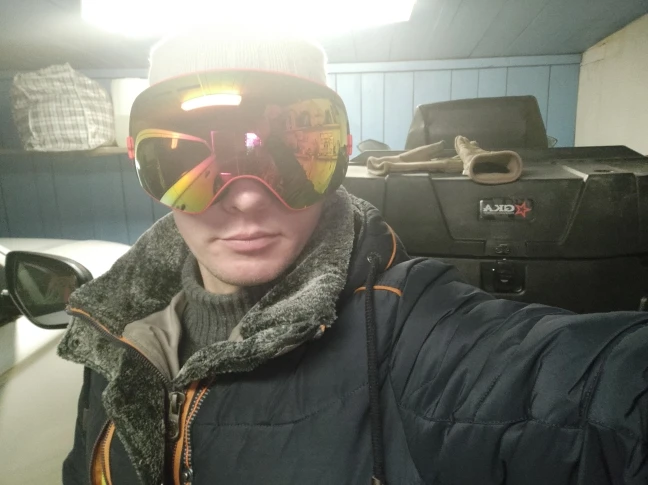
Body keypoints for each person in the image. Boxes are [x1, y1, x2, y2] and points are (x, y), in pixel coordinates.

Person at [59, 28, 648, 485]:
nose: (245, 198)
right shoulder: (115, 336)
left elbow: (594, 386)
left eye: (290, 158)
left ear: (337, 156)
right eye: (189, 164)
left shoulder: (410, 329)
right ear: (144, 165)